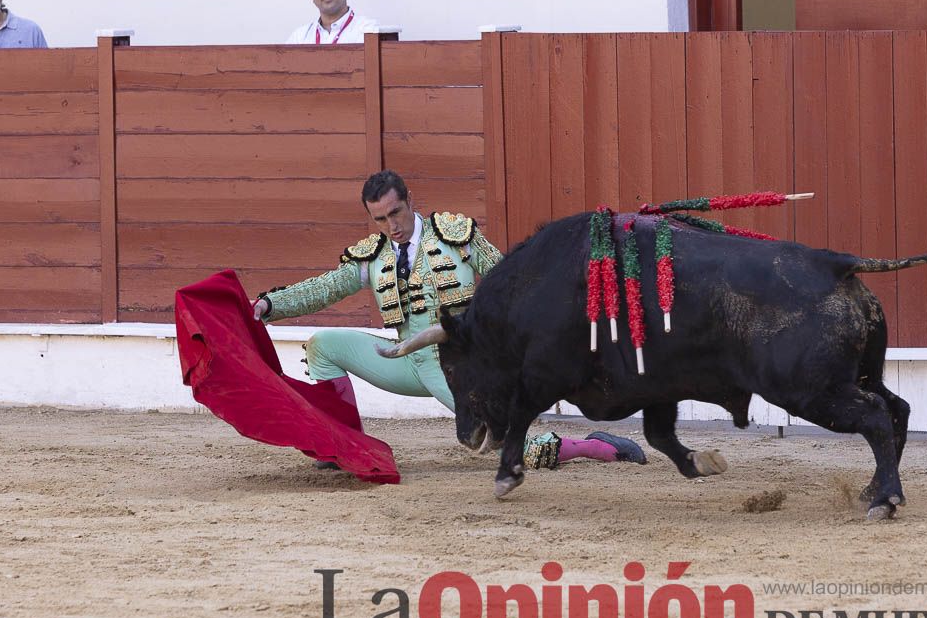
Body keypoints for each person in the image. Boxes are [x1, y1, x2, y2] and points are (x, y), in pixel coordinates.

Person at [251, 170, 647, 471]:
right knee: (323, 346)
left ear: (410, 200)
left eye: (396, 213)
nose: (392, 226)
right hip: (406, 360)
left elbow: (510, 280)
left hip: (460, 364)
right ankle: (344, 446)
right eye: (380, 219)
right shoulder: (373, 256)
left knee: (517, 448)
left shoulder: (455, 236)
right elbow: (325, 288)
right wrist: (269, 305)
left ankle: (595, 447)